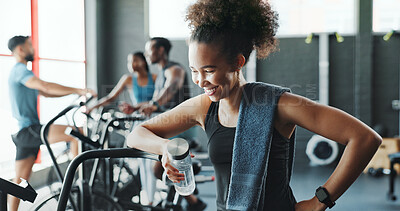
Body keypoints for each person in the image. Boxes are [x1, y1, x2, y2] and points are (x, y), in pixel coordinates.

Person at [126, 0, 382, 211]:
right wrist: (166, 148)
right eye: (194, 70)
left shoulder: (279, 105)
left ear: (237, 62)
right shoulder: (203, 107)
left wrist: (320, 202)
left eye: (209, 70)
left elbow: (364, 138)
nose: (200, 80)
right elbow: (136, 134)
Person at [7, 35, 96, 211]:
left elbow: (46, 92)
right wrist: (78, 89)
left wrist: (73, 93)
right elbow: (46, 87)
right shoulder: (20, 70)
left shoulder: (22, 73)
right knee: (75, 133)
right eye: (29, 45)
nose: (33, 49)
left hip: (24, 134)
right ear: (20, 50)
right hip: (29, 130)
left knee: (18, 182)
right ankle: (78, 182)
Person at [86, 51, 157, 113]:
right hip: (137, 116)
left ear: (144, 62)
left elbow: (158, 100)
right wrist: (92, 107)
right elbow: (110, 97)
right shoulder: (128, 79)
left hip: (154, 114)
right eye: (129, 62)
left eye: (135, 60)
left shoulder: (154, 78)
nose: (131, 64)